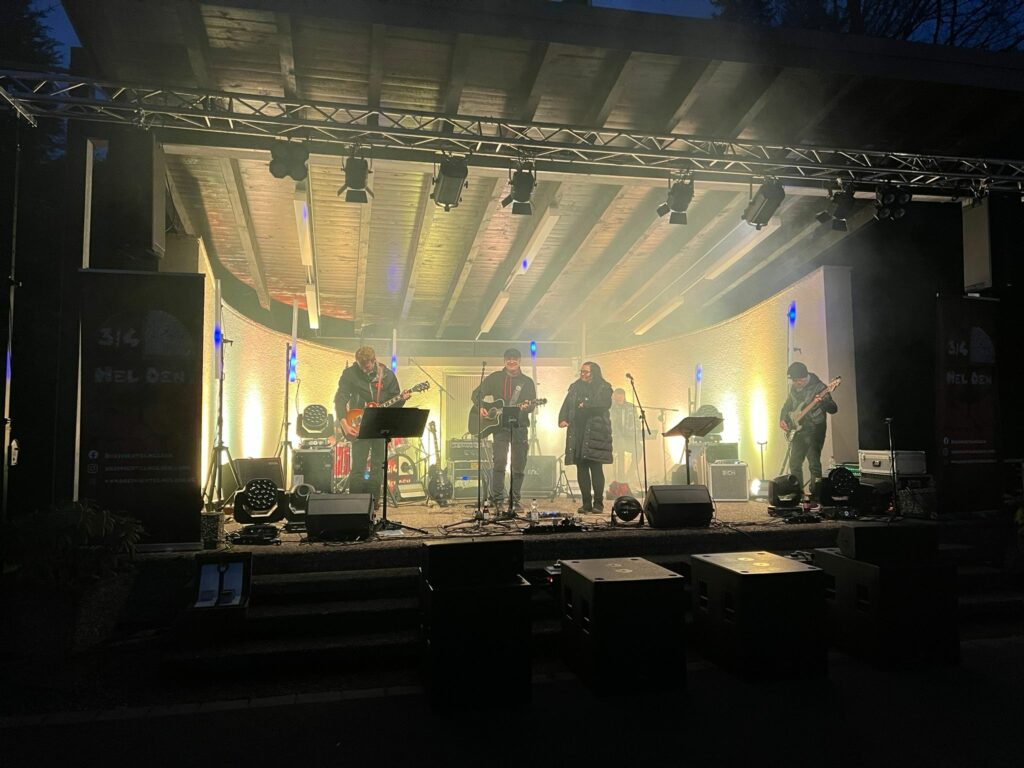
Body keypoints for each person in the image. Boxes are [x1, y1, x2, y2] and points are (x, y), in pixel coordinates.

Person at [334, 346, 410, 502]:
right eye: (361, 366)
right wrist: (344, 424)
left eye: (367, 366)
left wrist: (402, 399)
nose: (364, 370)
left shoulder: (387, 375)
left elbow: (394, 403)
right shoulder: (350, 374)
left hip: (379, 425)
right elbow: (340, 399)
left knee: (378, 466)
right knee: (358, 466)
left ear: (374, 360)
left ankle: (374, 501)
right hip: (357, 425)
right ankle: (355, 503)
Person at [471, 348, 537, 512]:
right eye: (508, 358)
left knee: (518, 465)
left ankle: (514, 500)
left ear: (520, 361)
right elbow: (476, 394)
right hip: (499, 427)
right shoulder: (495, 378)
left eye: (514, 359)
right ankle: (498, 500)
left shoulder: (527, 382)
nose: (511, 361)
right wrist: (481, 406)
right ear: (504, 361)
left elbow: (532, 405)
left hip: (519, 426)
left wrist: (527, 407)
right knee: (499, 463)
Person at [559, 361, 613, 513]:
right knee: (581, 468)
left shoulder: (604, 387)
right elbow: (567, 404)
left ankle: (598, 504)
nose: (583, 374)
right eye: (581, 372)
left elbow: (604, 404)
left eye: (586, 372)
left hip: (596, 432)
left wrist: (586, 404)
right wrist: (563, 418)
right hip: (578, 432)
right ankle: (586, 503)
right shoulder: (575, 387)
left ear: (594, 373)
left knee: (596, 468)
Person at [779, 361, 838, 492]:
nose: (796, 383)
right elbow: (787, 405)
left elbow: (833, 409)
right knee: (794, 463)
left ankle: (816, 494)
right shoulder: (794, 388)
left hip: (815, 429)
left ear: (804, 377)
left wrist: (823, 402)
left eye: (798, 380)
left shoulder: (820, 387)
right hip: (798, 430)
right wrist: (782, 418)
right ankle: (798, 493)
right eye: (794, 381)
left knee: (814, 463)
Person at [609, 387, 637, 483]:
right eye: (617, 397)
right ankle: (621, 477)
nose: (619, 398)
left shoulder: (631, 407)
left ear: (624, 396)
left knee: (639, 449)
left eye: (621, 396)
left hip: (629, 438)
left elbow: (637, 422)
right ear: (614, 397)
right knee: (620, 447)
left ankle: (630, 473)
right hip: (615, 439)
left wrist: (635, 432)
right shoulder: (610, 408)